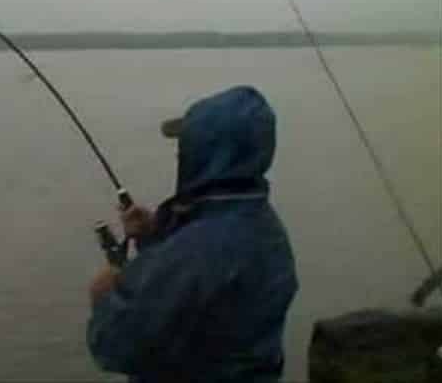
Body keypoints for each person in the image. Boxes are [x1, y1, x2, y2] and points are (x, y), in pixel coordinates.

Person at [87, 86, 298, 383]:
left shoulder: (201, 249)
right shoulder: (262, 223)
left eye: (185, 146)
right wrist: (156, 236)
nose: (179, 154)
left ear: (208, 155)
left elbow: (117, 346)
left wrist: (105, 295)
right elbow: (202, 294)